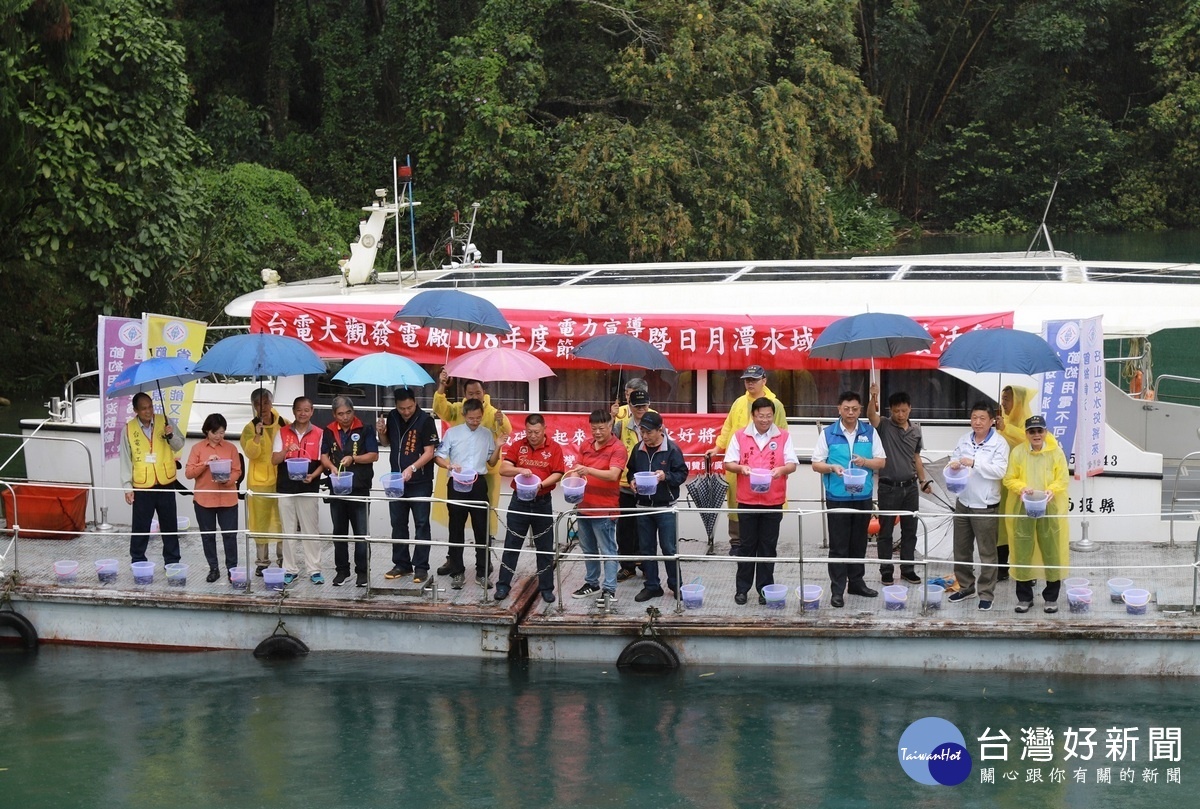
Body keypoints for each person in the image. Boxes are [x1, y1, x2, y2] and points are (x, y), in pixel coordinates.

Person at [812, 391, 886, 607]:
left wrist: (865, 462)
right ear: (839, 409)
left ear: (860, 410)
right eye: (847, 408)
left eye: (855, 409)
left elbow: (881, 462)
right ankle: (837, 589)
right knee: (838, 545)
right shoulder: (828, 433)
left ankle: (856, 582)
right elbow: (817, 464)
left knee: (859, 542)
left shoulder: (870, 432)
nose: (851, 413)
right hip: (837, 496)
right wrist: (832, 467)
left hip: (862, 495)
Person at [722, 397, 798, 604]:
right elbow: (728, 462)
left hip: (773, 501)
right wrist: (741, 468)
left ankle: (765, 589)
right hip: (747, 500)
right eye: (761, 416)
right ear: (753, 415)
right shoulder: (740, 436)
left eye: (768, 416)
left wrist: (780, 470)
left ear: (773, 416)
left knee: (768, 547)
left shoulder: (783, 436)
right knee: (746, 546)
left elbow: (792, 463)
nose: (765, 420)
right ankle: (742, 589)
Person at [706, 365, 787, 554]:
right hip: (739, 465)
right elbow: (728, 427)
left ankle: (762, 544)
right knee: (736, 501)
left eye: (754, 380)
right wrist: (717, 447)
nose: (750, 383)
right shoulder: (739, 403)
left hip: (767, 467)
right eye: (747, 380)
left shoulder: (776, 404)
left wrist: (782, 465)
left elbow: (783, 433)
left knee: (766, 504)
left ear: (764, 380)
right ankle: (736, 542)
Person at [432, 372, 512, 544]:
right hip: (458, 474)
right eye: (470, 394)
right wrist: (442, 386)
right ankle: (453, 561)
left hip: (484, 474)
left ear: (484, 392)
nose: (474, 421)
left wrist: (500, 420)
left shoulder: (491, 412)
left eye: (478, 393)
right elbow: (440, 408)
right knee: (456, 522)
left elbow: (506, 431)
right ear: (464, 395)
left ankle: (484, 558)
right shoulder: (457, 410)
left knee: (483, 520)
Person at [947, 401, 1010, 611]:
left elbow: (1000, 471)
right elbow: (955, 459)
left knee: (987, 552)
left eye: (982, 418)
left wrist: (974, 463)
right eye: (974, 418)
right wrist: (954, 464)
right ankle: (965, 586)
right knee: (961, 549)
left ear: (992, 421)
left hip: (985, 505)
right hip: (963, 501)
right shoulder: (964, 439)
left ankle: (986, 593)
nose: (977, 422)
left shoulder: (1000, 443)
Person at [1004, 415, 1070, 614]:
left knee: (1052, 550)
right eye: (1032, 431)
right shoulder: (1018, 453)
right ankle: (1024, 598)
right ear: (1026, 434)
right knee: (1021, 550)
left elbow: (1063, 478)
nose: (1036, 435)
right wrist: (1022, 488)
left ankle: (1051, 597)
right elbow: (1009, 478)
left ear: (1046, 432)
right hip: (1023, 507)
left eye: (1039, 431)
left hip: (1050, 508)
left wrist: (1052, 489)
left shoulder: (1056, 452)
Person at [434, 398, 503, 589]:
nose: (475, 421)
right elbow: (438, 456)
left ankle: (482, 572)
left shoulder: (486, 433)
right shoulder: (453, 433)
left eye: (478, 418)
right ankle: (457, 571)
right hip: (456, 482)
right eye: (471, 418)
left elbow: (491, 462)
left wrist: (498, 446)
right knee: (455, 528)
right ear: (464, 415)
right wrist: (449, 465)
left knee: (482, 528)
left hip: (478, 483)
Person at [496, 414, 564, 603]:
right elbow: (503, 469)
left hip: (542, 502)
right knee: (511, 545)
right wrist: (519, 469)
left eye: (536, 432)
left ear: (544, 430)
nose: (533, 436)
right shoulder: (519, 446)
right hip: (519, 502)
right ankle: (503, 585)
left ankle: (547, 588)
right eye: (529, 432)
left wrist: (540, 485)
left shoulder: (554, 448)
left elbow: (558, 473)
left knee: (544, 548)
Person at [867, 385, 930, 585]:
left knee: (910, 530)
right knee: (885, 531)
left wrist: (923, 480)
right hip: (888, 486)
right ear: (890, 411)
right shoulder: (884, 425)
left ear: (910, 408)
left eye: (903, 410)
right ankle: (886, 570)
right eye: (896, 411)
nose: (900, 415)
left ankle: (907, 568)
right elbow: (871, 416)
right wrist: (873, 396)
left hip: (910, 487)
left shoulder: (916, 431)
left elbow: (916, 458)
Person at [377, 387, 439, 584]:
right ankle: (402, 564)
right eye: (402, 408)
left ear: (415, 402)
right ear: (396, 405)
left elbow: (430, 452)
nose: (406, 411)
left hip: (419, 480)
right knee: (398, 523)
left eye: (410, 407)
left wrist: (412, 467)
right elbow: (386, 443)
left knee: (421, 523)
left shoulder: (425, 420)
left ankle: (421, 567)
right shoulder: (392, 417)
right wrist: (381, 432)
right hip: (396, 479)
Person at [566, 408, 628, 604]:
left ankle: (609, 588)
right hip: (584, 505)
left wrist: (588, 470)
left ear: (610, 425)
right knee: (588, 548)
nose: (598, 432)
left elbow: (613, 475)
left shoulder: (617, 448)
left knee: (608, 549)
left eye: (601, 428)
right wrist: (574, 476)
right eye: (594, 429)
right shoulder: (586, 444)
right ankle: (592, 583)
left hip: (604, 507)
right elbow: (578, 468)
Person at [626, 411, 689, 602]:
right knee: (646, 548)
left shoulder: (672, 449)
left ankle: (675, 584)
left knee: (669, 548)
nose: (645, 436)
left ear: (660, 429)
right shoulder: (638, 449)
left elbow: (682, 474)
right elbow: (631, 471)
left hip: (665, 507)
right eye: (642, 431)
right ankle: (652, 585)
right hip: (642, 505)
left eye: (648, 432)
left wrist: (666, 476)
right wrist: (632, 482)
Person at [320, 396, 379, 587]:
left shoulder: (365, 428)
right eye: (340, 414)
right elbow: (324, 456)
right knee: (339, 533)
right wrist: (331, 467)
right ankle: (342, 571)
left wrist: (354, 458)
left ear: (353, 411)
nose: (345, 417)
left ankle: (363, 572)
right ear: (334, 414)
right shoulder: (329, 431)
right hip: (337, 488)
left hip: (359, 487)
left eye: (348, 413)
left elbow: (374, 455)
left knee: (361, 533)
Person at [121, 392, 185, 565]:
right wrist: (127, 487)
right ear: (135, 410)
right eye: (143, 408)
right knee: (140, 526)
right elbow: (126, 460)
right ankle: (138, 560)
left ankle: (172, 561)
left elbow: (180, 445)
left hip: (165, 482)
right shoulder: (128, 429)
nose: (148, 411)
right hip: (143, 485)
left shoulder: (165, 421)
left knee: (169, 525)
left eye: (150, 406)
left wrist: (171, 435)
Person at [272, 396, 325, 585]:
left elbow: (323, 463)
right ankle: (289, 569)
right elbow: (274, 460)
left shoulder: (320, 433)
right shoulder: (282, 432)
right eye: (299, 410)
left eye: (306, 410)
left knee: (311, 530)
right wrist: (287, 450)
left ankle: (314, 569)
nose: (302, 413)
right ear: (293, 411)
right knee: (288, 530)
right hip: (285, 487)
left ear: (312, 411)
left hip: (309, 486)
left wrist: (313, 476)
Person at [185, 413, 241, 582]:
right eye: (215, 432)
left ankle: (232, 569)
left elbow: (237, 471)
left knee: (230, 535)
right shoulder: (197, 448)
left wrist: (227, 481)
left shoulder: (231, 448)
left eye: (222, 433)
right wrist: (205, 463)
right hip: (204, 500)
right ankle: (213, 568)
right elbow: (188, 473)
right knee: (208, 536)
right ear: (207, 431)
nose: (218, 436)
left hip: (228, 499)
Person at [240, 388, 286, 575]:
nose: (263, 407)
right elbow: (251, 453)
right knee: (261, 522)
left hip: (282, 479)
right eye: (258, 404)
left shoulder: (283, 423)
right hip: (259, 481)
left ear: (271, 403)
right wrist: (258, 435)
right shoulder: (249, 428)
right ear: (253, 406)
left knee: (283, 519)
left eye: (266, 402)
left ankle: (284, 558)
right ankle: (262, 562)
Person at [994, 385, 1037, 581]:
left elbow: (1029, 442)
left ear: (1018, 401)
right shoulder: (1002, 422)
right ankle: (1001, 567)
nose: (1004, 403)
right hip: (1002, 484)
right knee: (1001, 525)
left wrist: (1006, 429)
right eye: (1003, 398)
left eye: (1008, 399)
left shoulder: (1029, 423)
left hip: (1023, 486)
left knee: (1022, 528)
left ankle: (1026, 570)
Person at [614, 388, 655, 582]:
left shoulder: (655, 423)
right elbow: (610, 444)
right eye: (637, 406)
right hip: (625, 483)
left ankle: (646, 565)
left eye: (644, 405)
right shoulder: (621, 424)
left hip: (648, 487)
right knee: (625, 528)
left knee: (646, 529)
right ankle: (627, 566)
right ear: (629, 406)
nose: (641, 409)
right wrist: (611, 417)